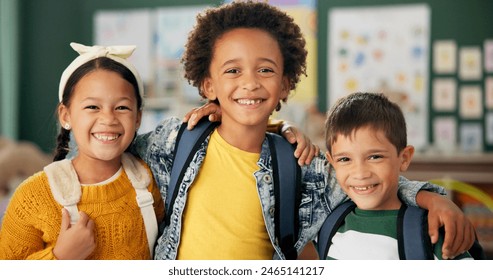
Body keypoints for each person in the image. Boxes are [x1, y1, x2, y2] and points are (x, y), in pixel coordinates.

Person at [132, 1, 474, 260]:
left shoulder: (299, 163)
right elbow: (108, 146)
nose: (250, 83)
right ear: (208, 84)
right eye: (233, 70)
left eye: (265, 70)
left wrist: (432, 198)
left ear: (285, 84)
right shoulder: (176, 140)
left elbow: (365, 177)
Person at [0, 42, 165, 260]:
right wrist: (60, 257)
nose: (108, 118)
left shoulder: (149, 181)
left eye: (122, 107)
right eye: (92, 107)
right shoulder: (33, 196)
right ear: (66, 116)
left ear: (138, 118)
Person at [322, 92, 472, 259]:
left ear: (404, 158)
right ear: (332, 163)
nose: (360, 173)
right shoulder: (328, 224)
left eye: (375, 157)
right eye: (345, 159)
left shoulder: (430, 231)